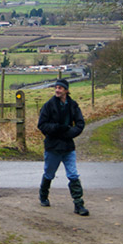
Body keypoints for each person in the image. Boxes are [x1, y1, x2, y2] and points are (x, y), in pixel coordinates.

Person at [36, 79, 89, 215]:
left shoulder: (73, 105)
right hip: (53, 146)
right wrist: (58, 129)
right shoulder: (48, 106)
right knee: (49, 173)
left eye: (60, 88)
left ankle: (78, 204)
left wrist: (70, 133)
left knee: (73, 174)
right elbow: (42, 125)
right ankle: (43, 195)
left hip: (68, 146)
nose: (57, 90)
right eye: (56, 87)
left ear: (66, 90)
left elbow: (80, 123)